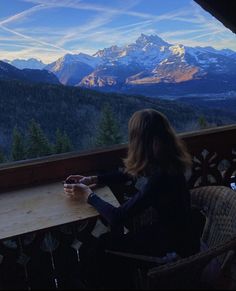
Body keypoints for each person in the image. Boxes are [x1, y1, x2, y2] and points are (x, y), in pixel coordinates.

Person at [63, 109, 202, 288]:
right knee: (104, 245)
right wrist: (95, 179)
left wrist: (88, 196)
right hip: (176, 234)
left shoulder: (162, 177)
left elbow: (117, 217)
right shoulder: (167, 160)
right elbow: (131, 173)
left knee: (102, 251)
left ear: (140, 141)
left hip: (174, 249)